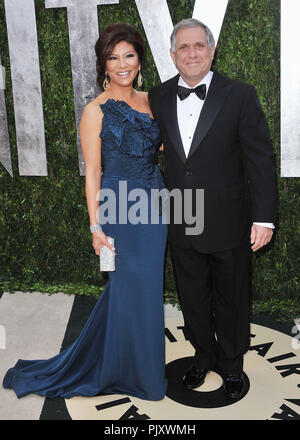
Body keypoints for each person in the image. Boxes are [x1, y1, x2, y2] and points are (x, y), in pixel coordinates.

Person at [2, 23, 167, 401]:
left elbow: (157, 144)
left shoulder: (151, 101)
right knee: (127, 286)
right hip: (120, 209)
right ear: (103, 65)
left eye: (128, 55)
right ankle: (129, 374)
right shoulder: (95, 111)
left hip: (155, 206)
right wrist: (96, 226)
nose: (122, 64)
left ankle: (136, 367)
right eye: (113, 58)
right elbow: (93, 171)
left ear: (140, 60)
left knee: (145, 290)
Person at [148, 18, 277, 399]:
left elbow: (260, 159)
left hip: (229, 220)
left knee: (232, 295)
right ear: (172, 55)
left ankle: (233, 364)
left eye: (198, 46)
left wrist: (264, 217)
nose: (192, 53)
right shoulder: (157, 96)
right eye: (183, 48)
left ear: (211, 50)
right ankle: (202, 355)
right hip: (182, 216)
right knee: (192, 294)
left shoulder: (239, 94)